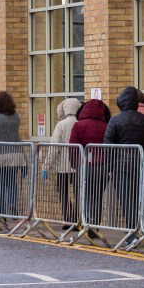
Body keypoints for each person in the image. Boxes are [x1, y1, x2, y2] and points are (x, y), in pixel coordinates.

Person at [104, 86, 144, 241]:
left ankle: (132, 233)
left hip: (120, 165)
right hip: (139, 164)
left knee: (125, 198)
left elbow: (107, 144)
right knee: (136, 197)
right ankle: (134, 230)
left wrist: (109, 166)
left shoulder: (115, 120)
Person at [70, 98, 111, 229]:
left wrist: (74, 163)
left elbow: (73, 146)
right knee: (97, 195)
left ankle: (87, 221)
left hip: (84, 166)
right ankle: (95, 224)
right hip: (102, 166)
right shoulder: (106, 126)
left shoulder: (78, 125)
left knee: (86, 195)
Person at [44, 97, 82, 227]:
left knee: (63, 192)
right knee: (78, 193)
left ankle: (68, 219)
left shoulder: (61, 125)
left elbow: (53, 148)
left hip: (63, 166)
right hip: (78, 166)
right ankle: (77, 218)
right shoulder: (80, 122)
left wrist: (46, 167)